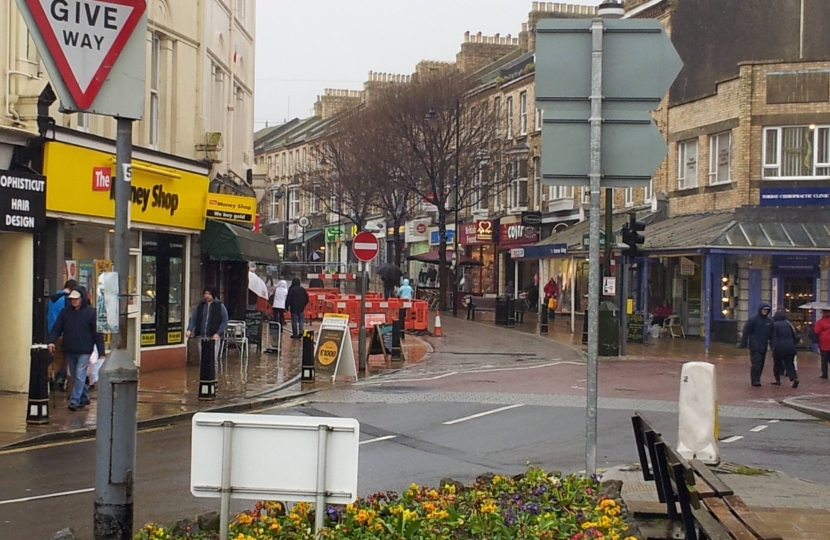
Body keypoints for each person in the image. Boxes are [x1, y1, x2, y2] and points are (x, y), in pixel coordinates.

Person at [47, 289, 105, 411]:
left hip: (84, 349)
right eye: (72, 299)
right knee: (74, 376)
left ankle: (74, 400)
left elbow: (97, 334)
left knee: (79, 374)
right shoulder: (65, 313)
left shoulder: (91, 313)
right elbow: (57, 328)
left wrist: (101, 352)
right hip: (69, 349)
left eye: (76, 299)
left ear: (82, 299)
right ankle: (84, 397)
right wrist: (52, 341)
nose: (74, 301)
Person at [185, 286, 229, 364]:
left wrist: (217, 333)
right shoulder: (201, 306)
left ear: (213, 295)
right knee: (202, 359)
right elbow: (194, 318)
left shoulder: (219, 306)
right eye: (205, 294)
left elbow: (225, 320)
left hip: (213, 337)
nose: (207, 296)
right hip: (202, 336)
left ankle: (214, 376)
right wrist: (189, 329)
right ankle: (204, 375)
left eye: (209, 294)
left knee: (213, 359)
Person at [46, 279, 78, 386]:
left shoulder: (53, 299)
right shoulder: (66, 300)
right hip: (65, 335)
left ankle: (44, 380)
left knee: (58, 360)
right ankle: (70, 389)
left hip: (53, 335)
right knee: (70, 363)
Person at [740, 304, 773, 387]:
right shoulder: (753, 320)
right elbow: (746, 331)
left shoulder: (769, 321)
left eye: (767, 310)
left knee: (761, 363)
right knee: (756, 363)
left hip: (763, 345)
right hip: (754, 345)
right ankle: (754, 379)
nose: (765, 312)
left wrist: (773, 344)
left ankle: (758, 378)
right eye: (764, 310)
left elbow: (771, 334)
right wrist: (743, 342)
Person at [770, 309, 799, 388]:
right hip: (790, 347)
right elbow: (796, 335)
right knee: (790, 364)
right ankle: (794, 378)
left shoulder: (774, 325)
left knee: (777, 364)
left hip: (779, 348)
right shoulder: (789, 323)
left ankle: (777, 380)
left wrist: (773, 346)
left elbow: (773, 337)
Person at [812, 309, 830, 379]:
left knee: (824, 359)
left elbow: (816, 331)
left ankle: (824, 374)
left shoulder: (820, 322)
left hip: (824, 343)